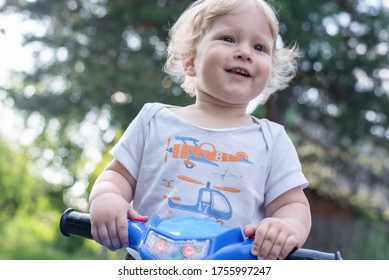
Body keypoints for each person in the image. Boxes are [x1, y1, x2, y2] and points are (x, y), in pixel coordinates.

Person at [89, 0, 311, 260]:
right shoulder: (155, 120)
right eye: (228, 38)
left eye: (259, 47)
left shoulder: (271, 140)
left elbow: (292, 204)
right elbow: (117, 177)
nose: (245, 52)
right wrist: (106, 197)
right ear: (190, 60)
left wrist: (286, 227)